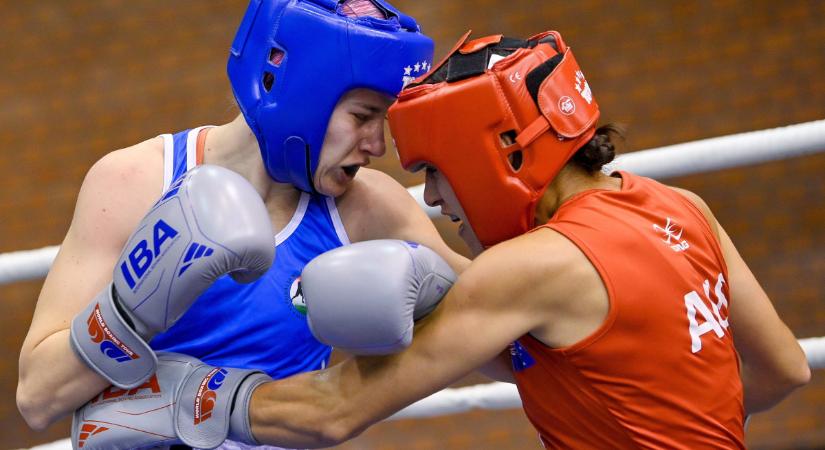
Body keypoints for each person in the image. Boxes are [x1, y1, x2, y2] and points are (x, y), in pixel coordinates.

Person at [68, 30, 811, 449]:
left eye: (437, 172)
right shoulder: (684, 209)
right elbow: (783, 370)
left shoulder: (532, 269)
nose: (432, 200)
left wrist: (183, 398)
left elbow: (332, 410)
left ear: (501, 154)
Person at [16, 0, 467, 443]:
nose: (377, 146)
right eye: (363, 116)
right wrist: (132, 311)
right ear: (300, 93)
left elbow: (496, 322)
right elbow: (38, 397)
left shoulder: (367, 208)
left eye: (383, 120)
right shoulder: (135, 181)